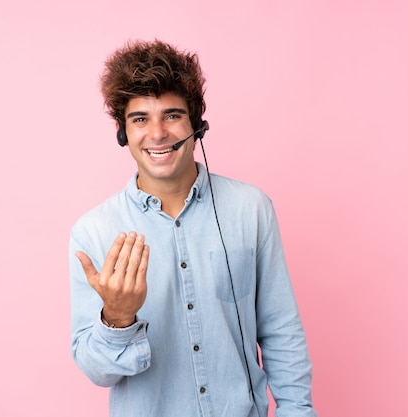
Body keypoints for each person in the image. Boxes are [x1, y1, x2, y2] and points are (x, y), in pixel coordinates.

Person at [69, 39, 317, 417]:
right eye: (140, 119)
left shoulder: (251, 209)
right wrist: (117, 319)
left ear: (197, 124)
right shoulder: (94, 231)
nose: (157, 134)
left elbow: (281, 332)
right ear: (123, 133)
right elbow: (96, 371)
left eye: (171, 115)